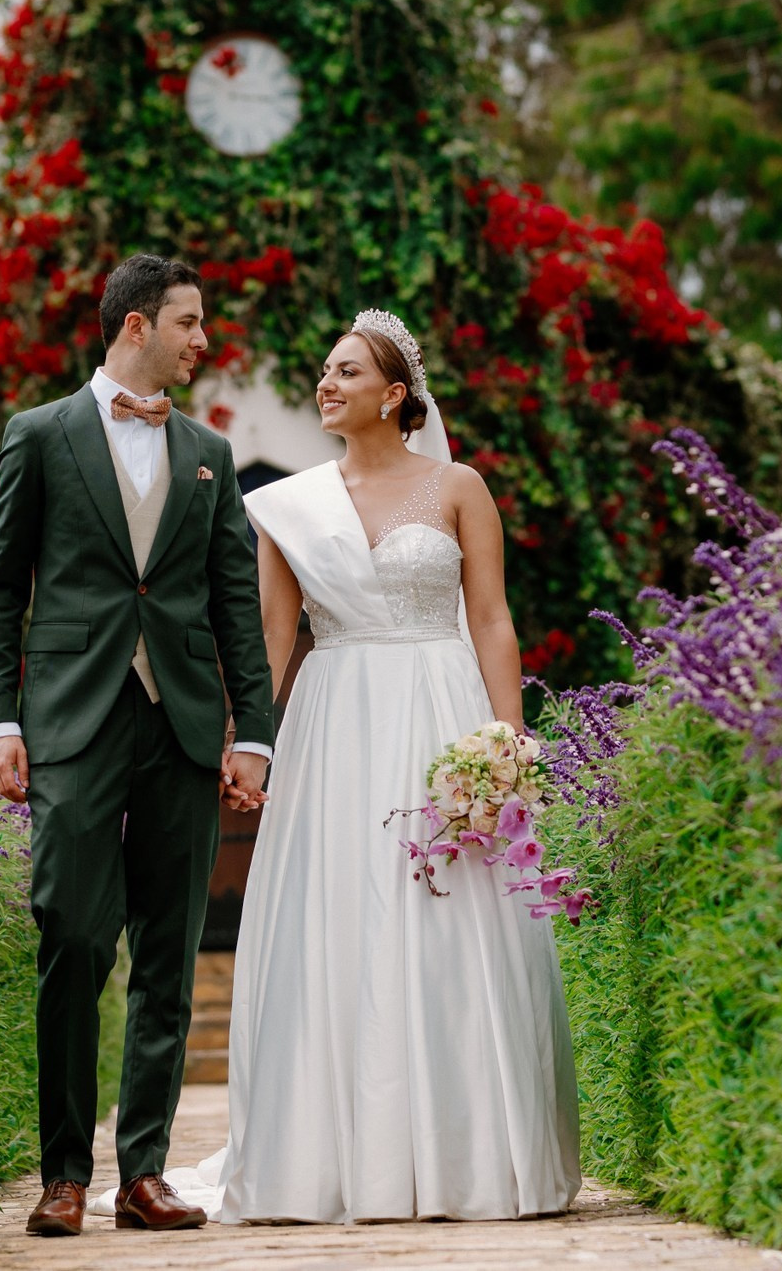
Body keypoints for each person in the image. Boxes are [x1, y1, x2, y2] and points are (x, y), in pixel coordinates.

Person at [210, 308, 583, 1222]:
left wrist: (509, 744)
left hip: (440, 709)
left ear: (396, 394)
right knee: (341, 915)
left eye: (346, 371)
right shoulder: (288, 505)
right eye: (324, 371)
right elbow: (273, 633)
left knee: (449, 919)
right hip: (336, 721)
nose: (326, 385)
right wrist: (248, 738)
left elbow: (490, 618)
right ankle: (340, 1157)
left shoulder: (458, 485)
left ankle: (467, 1154)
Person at [0, 253, 276, 1237]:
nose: (201, 340)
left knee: (167, 948)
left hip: (181, 719)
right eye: (188, 322)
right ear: (136, 326)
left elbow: (235, 602)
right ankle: (63, 1169)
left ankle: (141, 1169)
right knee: (69, 928)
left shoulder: (208, 454)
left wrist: (254, 732)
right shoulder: (40, 434)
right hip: (71, 713)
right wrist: (0, 716)